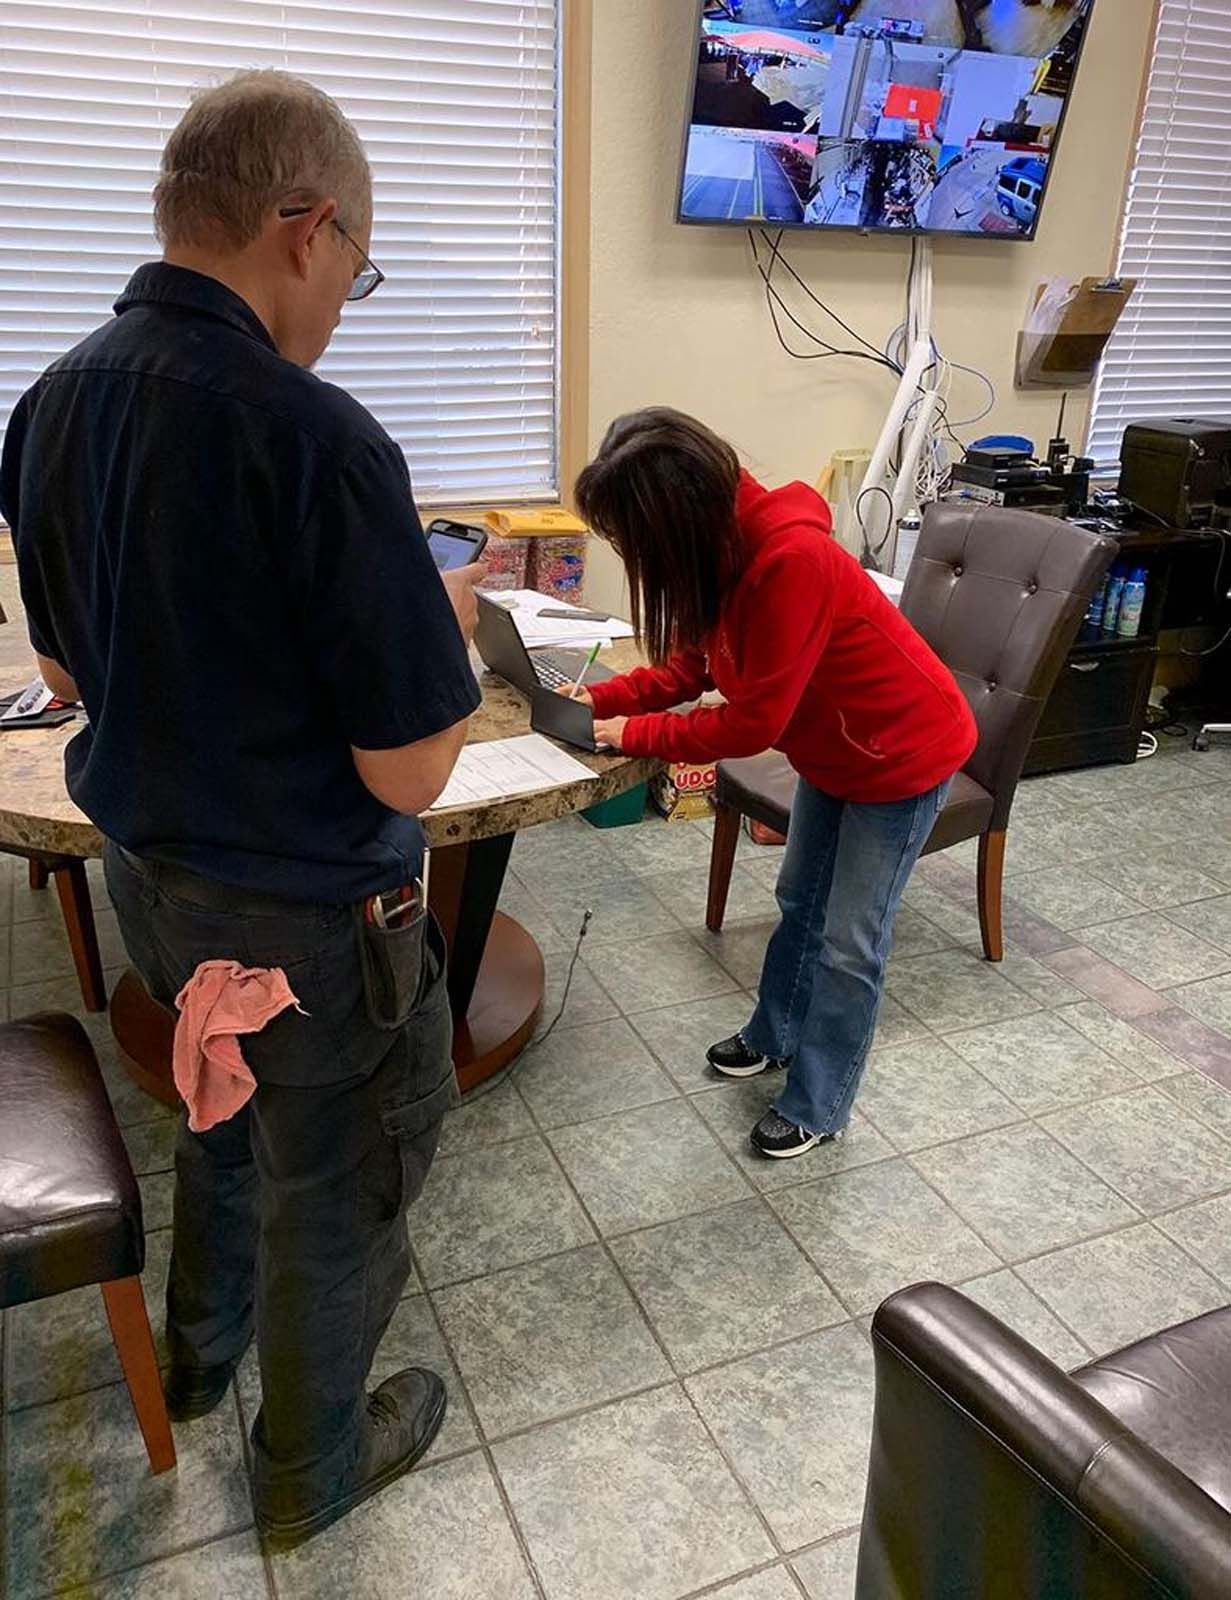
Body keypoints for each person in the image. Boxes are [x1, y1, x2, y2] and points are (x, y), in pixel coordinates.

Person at [0, 72, 486, 1546]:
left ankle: (203, 1364)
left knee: (215, 1114)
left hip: (153, 877)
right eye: (358, 262)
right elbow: (411, 769)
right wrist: (439, 627)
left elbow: (64, 662)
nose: (347, 294)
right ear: (304, 224)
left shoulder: (50, 403)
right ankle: (307, 1471)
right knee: (332, 1188)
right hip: (308, 924)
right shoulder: (318, 439)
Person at [569, 408, 976, 1159]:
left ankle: (820, 1103)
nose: (631, 553)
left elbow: (751, 722)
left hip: (901, 755)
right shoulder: (718, 556)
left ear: (676, 519)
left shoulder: (791, 561)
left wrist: (634, 736)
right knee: (799, 902)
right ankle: (773, 1035)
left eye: (631, 539)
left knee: (850, 941)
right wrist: (597, 699)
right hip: (835, 752)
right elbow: (691, 667)